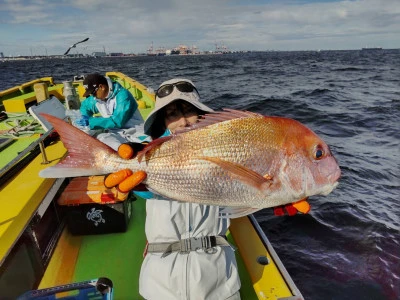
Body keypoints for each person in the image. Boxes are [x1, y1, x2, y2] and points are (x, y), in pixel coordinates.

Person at [107, 78, 241, 300]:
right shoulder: (151, 154)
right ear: (164, 123)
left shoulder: (225, 151)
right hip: (161, 283)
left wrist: (281, 194)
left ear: (202, 115)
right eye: (172, 115)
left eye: (189, 111)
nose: (183, 122)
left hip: (218, 280)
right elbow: (143, 187)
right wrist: (132, 187)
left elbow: (248, 185)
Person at [76, 73, 144, 150]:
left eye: (93, 93)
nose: (93, 96)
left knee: (144, 144)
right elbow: (85, 106)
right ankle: (122, 150)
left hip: (134, 132)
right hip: (114, 133)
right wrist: (84, 116)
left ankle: (125, 150)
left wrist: (90, 122)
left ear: (101, 87)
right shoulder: (97, 98)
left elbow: (117, 121)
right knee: (101, 140)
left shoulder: (123, 95)